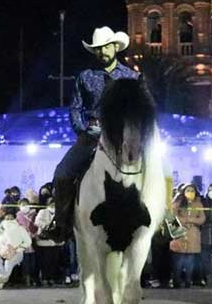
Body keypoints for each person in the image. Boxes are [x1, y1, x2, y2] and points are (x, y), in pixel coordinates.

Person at [42, 26, 139, 243]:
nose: (102, 52)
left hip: (124, 135)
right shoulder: (85, 76)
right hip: (92, 134)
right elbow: (76, 107)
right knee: (62, 172)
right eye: (97, 49)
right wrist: (83, 129)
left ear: (115, 46)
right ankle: (62, 225)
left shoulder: (132, 76)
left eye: (105, 46)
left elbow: (139, 107)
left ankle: (168, 220)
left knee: (159, 165)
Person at [169, 184, 206, 288]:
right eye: (188, 190)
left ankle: (188, 281)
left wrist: (192, 220)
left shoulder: (198, 204)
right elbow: (172, 216)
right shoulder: (177, 202)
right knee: (178, 259)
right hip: (179, 233)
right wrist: (184, 221)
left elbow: (202, 218)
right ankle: (176, 281)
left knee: (190, 260)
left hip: (193, 234)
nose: (190, 192)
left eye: (192, 190)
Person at [0, 209, 31, 289]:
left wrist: (16, 249)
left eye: (11, 218)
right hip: (3, 252)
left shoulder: (20, 229)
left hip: (17, 253)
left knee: (8, 262)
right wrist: (1, 251)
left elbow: (28, 242)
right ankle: (2, 279)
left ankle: (2, 279)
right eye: (7, 218)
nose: (9, 220)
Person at [33, 196, 63, 286]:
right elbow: (37, 222)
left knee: (54, 261)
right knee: (45, 261)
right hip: (44, 241)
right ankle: (45, 278)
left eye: (54, 204)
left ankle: (52, 278)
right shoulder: (42, 212)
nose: (53, 206)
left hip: (56, 241)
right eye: (51, 204)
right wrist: (48, 226)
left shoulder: (59, 213)